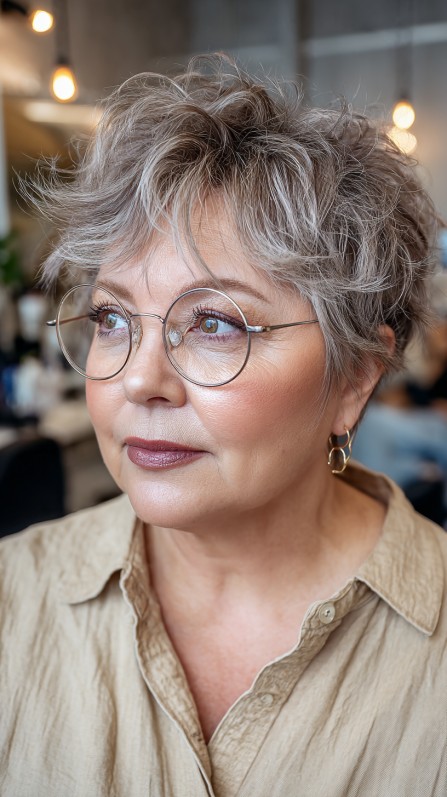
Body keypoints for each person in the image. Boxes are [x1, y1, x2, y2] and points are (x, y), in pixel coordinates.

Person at [1, 56, 446, 796]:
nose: (138, 378)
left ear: (355, 378)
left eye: (213, 322)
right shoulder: (13, 600)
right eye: (111, 317)